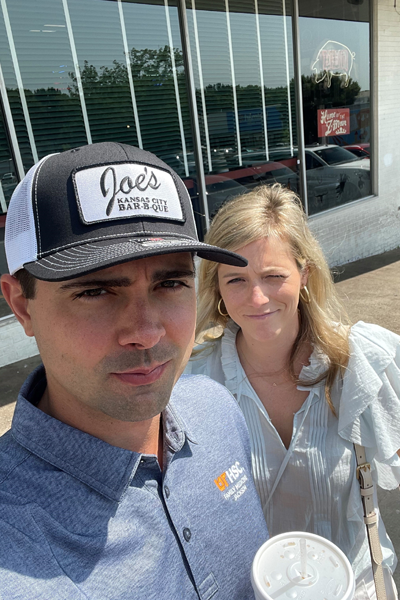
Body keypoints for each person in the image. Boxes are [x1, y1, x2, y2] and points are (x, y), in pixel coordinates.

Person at [0, 142, 269, 599]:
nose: (145, 333)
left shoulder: (217, 408)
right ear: (22, 305)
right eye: (96, 292)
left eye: (170, 283)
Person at [186, 183, 400, 600]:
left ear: (304, 274)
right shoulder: (192, 384)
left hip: (354, 589)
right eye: (236, 280)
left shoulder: (365, 363)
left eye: (273, 276)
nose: (256, 297)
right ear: (218, 289)